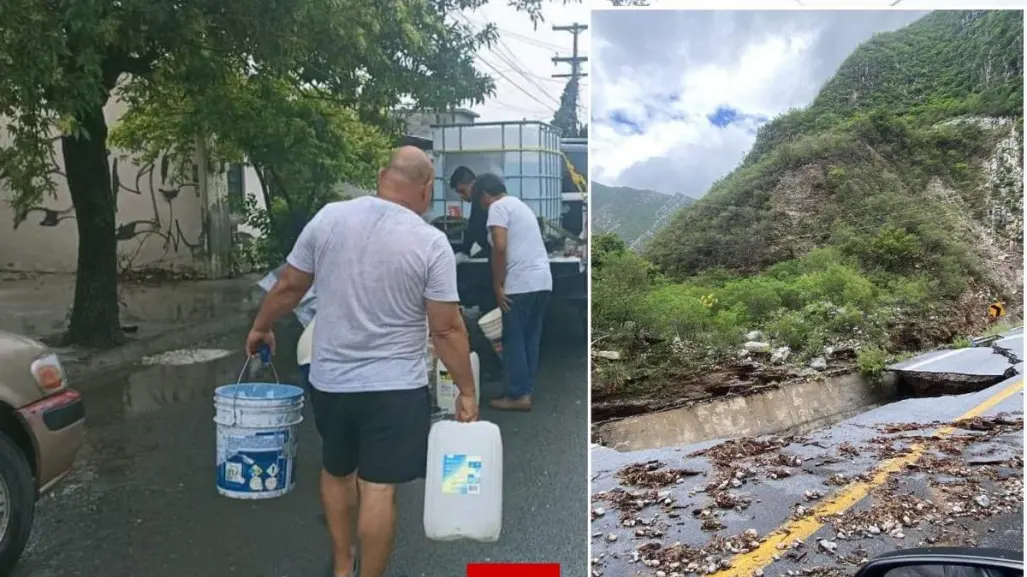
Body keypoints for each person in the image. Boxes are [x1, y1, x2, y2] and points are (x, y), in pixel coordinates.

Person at [245, 146, 479, 577]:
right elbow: (446, 329)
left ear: (380, 176)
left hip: (331, 380)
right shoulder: (430, 242)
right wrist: (466, 390)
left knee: (337, 472)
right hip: (395, 388)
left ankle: (341, 564)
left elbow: (289, 286)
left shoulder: (330, 217)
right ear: (426, 189)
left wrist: (261, 327)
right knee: (378, 486)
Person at [475, 172, 553, 412]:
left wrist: (498, 285)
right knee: (530, 338)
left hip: (520, 284)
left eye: (479, 200)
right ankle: (524, 389)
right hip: (542, 282)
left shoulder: (497, 207)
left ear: (485, 194)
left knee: (513, 339)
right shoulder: (520, 206)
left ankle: (518, 394)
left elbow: (500, 247)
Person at [449, 166, 490, 259]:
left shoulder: (481, 199)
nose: (462, 196)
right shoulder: (478, 200)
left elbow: (474, 227)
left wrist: (464, 250)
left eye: (462, 191)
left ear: (473, 183)